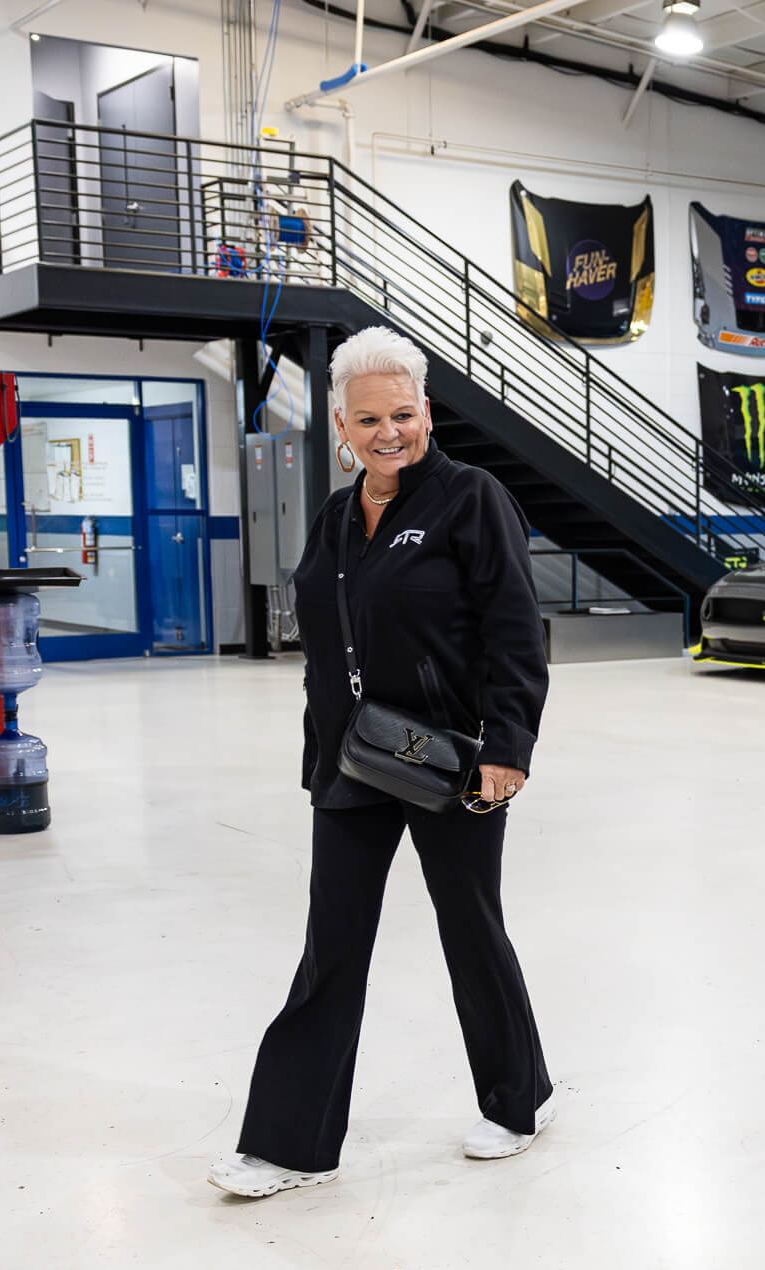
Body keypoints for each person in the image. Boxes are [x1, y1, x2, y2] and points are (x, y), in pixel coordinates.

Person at [209, 325, 552, 1199]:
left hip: (455, 765)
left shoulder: (472, 499)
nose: (388, 431)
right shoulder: (335, 515)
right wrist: (318, 755)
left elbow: (518, 632)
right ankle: (288, 1144)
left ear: (427, 411)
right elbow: (328, 648)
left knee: (471, 931)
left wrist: (508, 747)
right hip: (356, 766)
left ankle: (518, 1102)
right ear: (340, 425)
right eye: (369, 419)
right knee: (332, 944)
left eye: (403, 413)